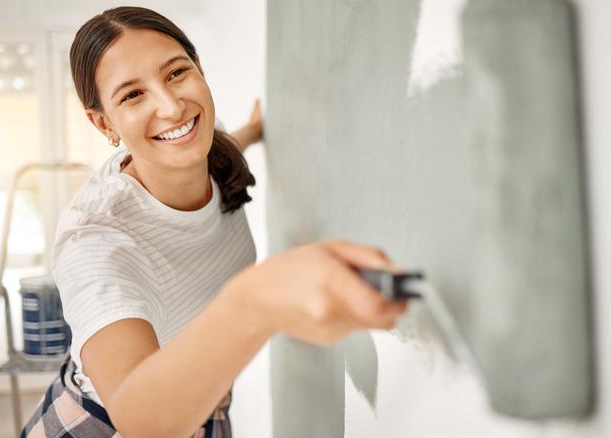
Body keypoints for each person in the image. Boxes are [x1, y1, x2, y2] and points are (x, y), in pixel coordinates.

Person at [21, 6, 407, 438]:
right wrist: (255, 300)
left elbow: (218, 147)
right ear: (103, 123)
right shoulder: (93, 241)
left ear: (199, 69)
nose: (170, 107)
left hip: (201, 410)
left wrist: (257, 128)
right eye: (132, 95)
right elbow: (138, 420)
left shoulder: (206, 146)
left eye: (176, 73)